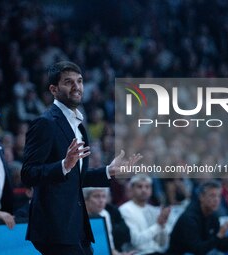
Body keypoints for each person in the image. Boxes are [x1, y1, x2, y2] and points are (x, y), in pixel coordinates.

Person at [21, 61, 141, 255]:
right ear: (53, 89)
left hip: (75, 225)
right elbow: (28, 174)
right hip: (54, 227)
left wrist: (108, 171)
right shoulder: (45, 123)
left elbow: (76, 177)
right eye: (68, 82)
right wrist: (63, 165)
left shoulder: (78, 125)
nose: (77, 87)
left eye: (80, 81)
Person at [168, 180, 228, 255]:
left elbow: (221, 246)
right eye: (212, 196)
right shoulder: (189, 219)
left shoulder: (213, 216)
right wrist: (219, 235)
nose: (216, 200)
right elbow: (197, 250)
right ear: (201, 197)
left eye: (219, 196)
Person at [119, 174, 171, 255]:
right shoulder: (125, 210)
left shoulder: (153, 210)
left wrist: (163, 226)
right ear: (132, 189)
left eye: (147, 187)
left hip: (156, 252)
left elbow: (162, 243)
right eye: (139, 187)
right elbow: (136, 241)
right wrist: (158, 225)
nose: (144, 190)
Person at [83, 187, 135, 255]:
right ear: (86, 199)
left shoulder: (105, 214)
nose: (101, 200)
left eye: (104, 196)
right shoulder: (79, 216)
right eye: (96, 196)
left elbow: (110, 246)